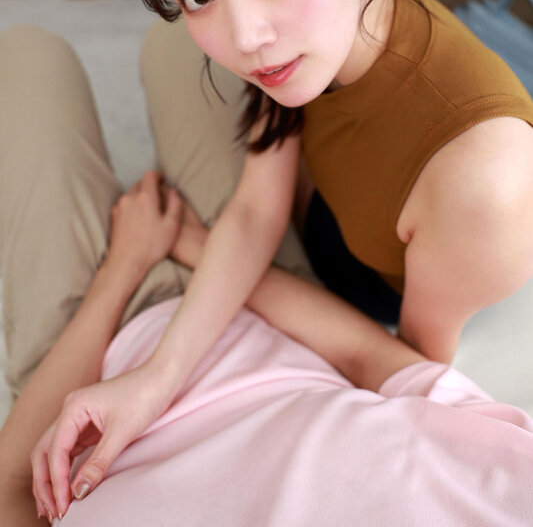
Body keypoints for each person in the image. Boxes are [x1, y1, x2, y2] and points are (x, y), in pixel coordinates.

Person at [2, 0, 532, 519]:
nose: (244, 37)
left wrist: (174, 256)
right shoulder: (306, 46)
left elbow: (406, 364)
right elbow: (255, 209)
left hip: (364, 276)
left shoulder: (487, 182)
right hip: (306, 216)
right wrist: (157, 371)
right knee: (171, 47)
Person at [0, 29, 532, 527]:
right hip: (267, 296)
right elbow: (368, 355)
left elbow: (15, 484)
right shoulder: (511, 484)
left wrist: (123, 269)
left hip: (80, 355)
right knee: (185, 39)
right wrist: (195, 247)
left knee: (23, 54)